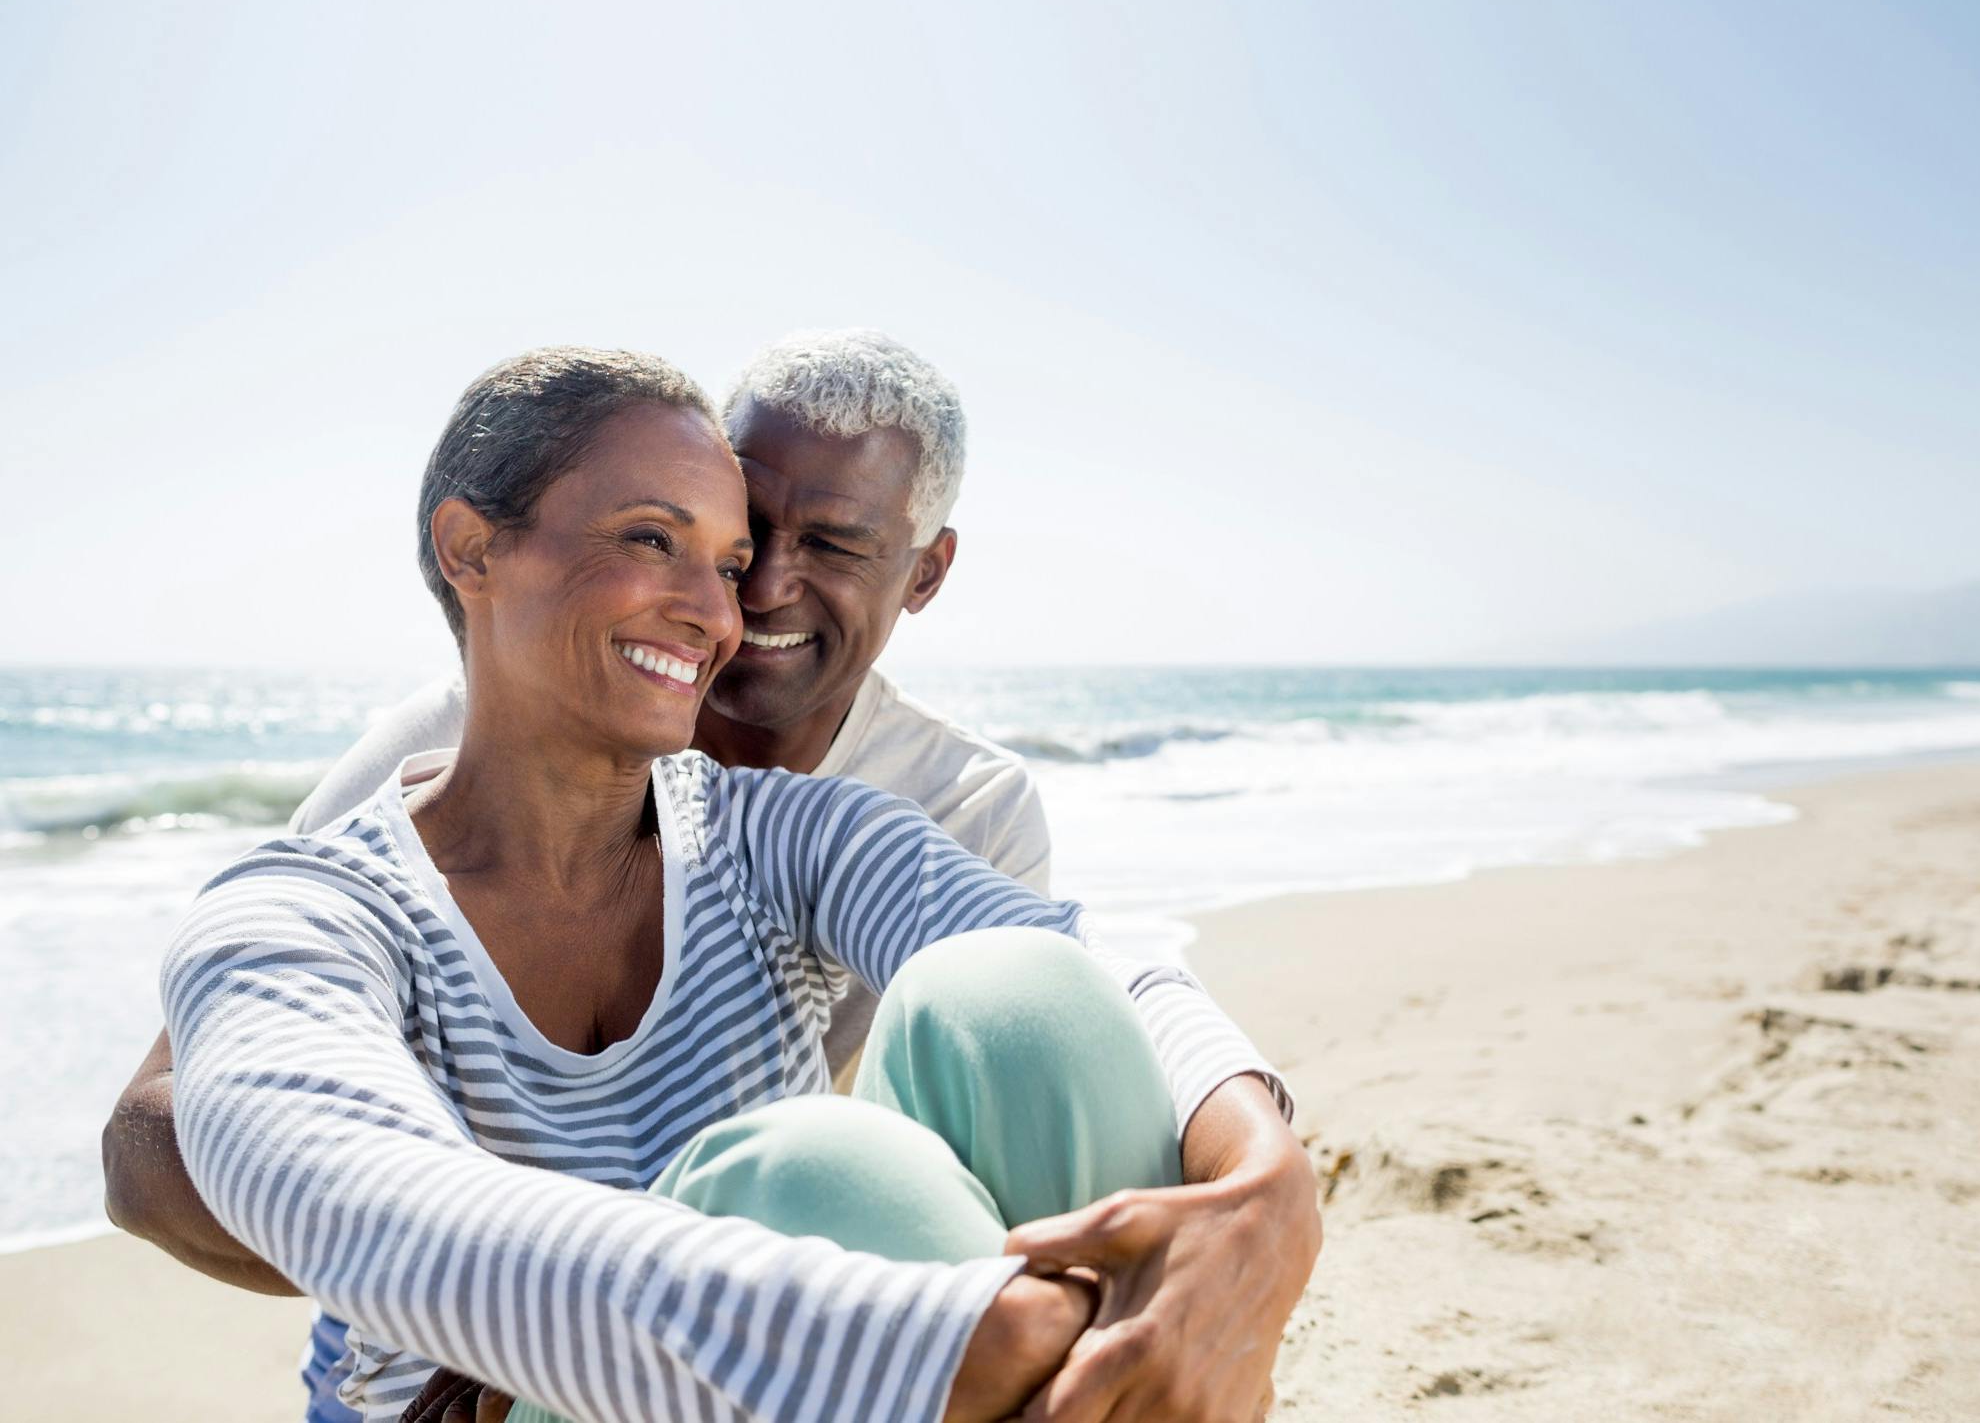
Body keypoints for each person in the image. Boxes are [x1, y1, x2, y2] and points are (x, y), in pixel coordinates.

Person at [149, 348, 1320, 1422]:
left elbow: (1081, 961)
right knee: (830, 1178)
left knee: (1021, 993)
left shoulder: (786, 832)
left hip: (802, 1342)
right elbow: (333, 1182)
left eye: (726, 558)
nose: (729, 607)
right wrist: (945, 1339)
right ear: (473, 551)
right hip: (508, 1389)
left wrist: (1266, 1174)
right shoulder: (303, 906)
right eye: (656, 539)